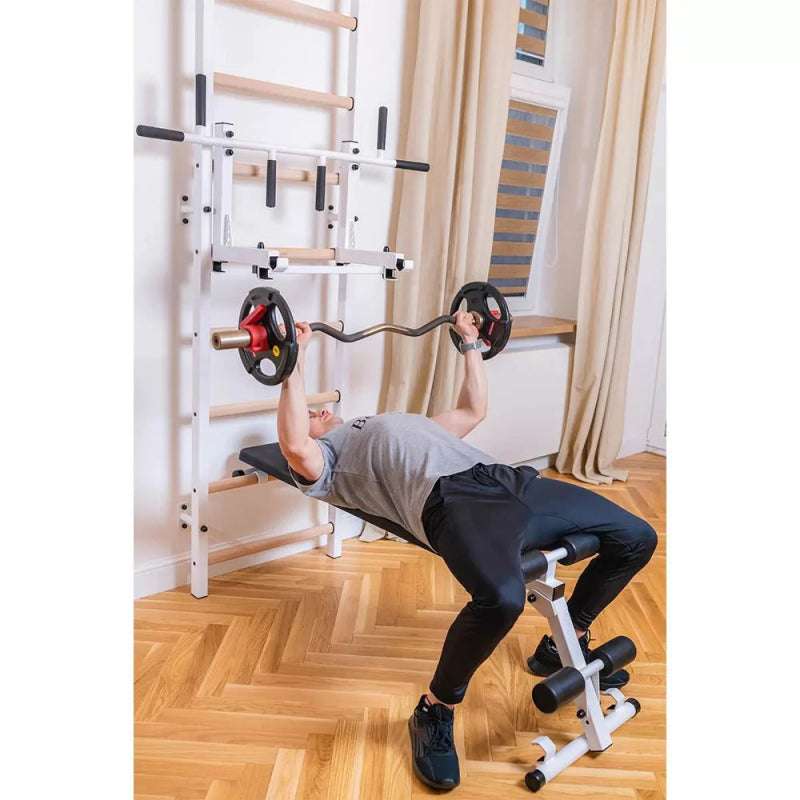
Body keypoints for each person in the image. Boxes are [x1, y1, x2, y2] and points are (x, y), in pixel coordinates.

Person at [277, 313, 657, 792]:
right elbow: (292, 443)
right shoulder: (328, 460)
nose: (320, 411)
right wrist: (293, 361)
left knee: (637, 536)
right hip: (450, 502)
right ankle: (436, 709)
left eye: (320, 408)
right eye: (311, 412)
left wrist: (470, 344)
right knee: (501, 598)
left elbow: (472, 411)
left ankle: (565, 641)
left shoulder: (394, 424)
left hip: (509, 479)